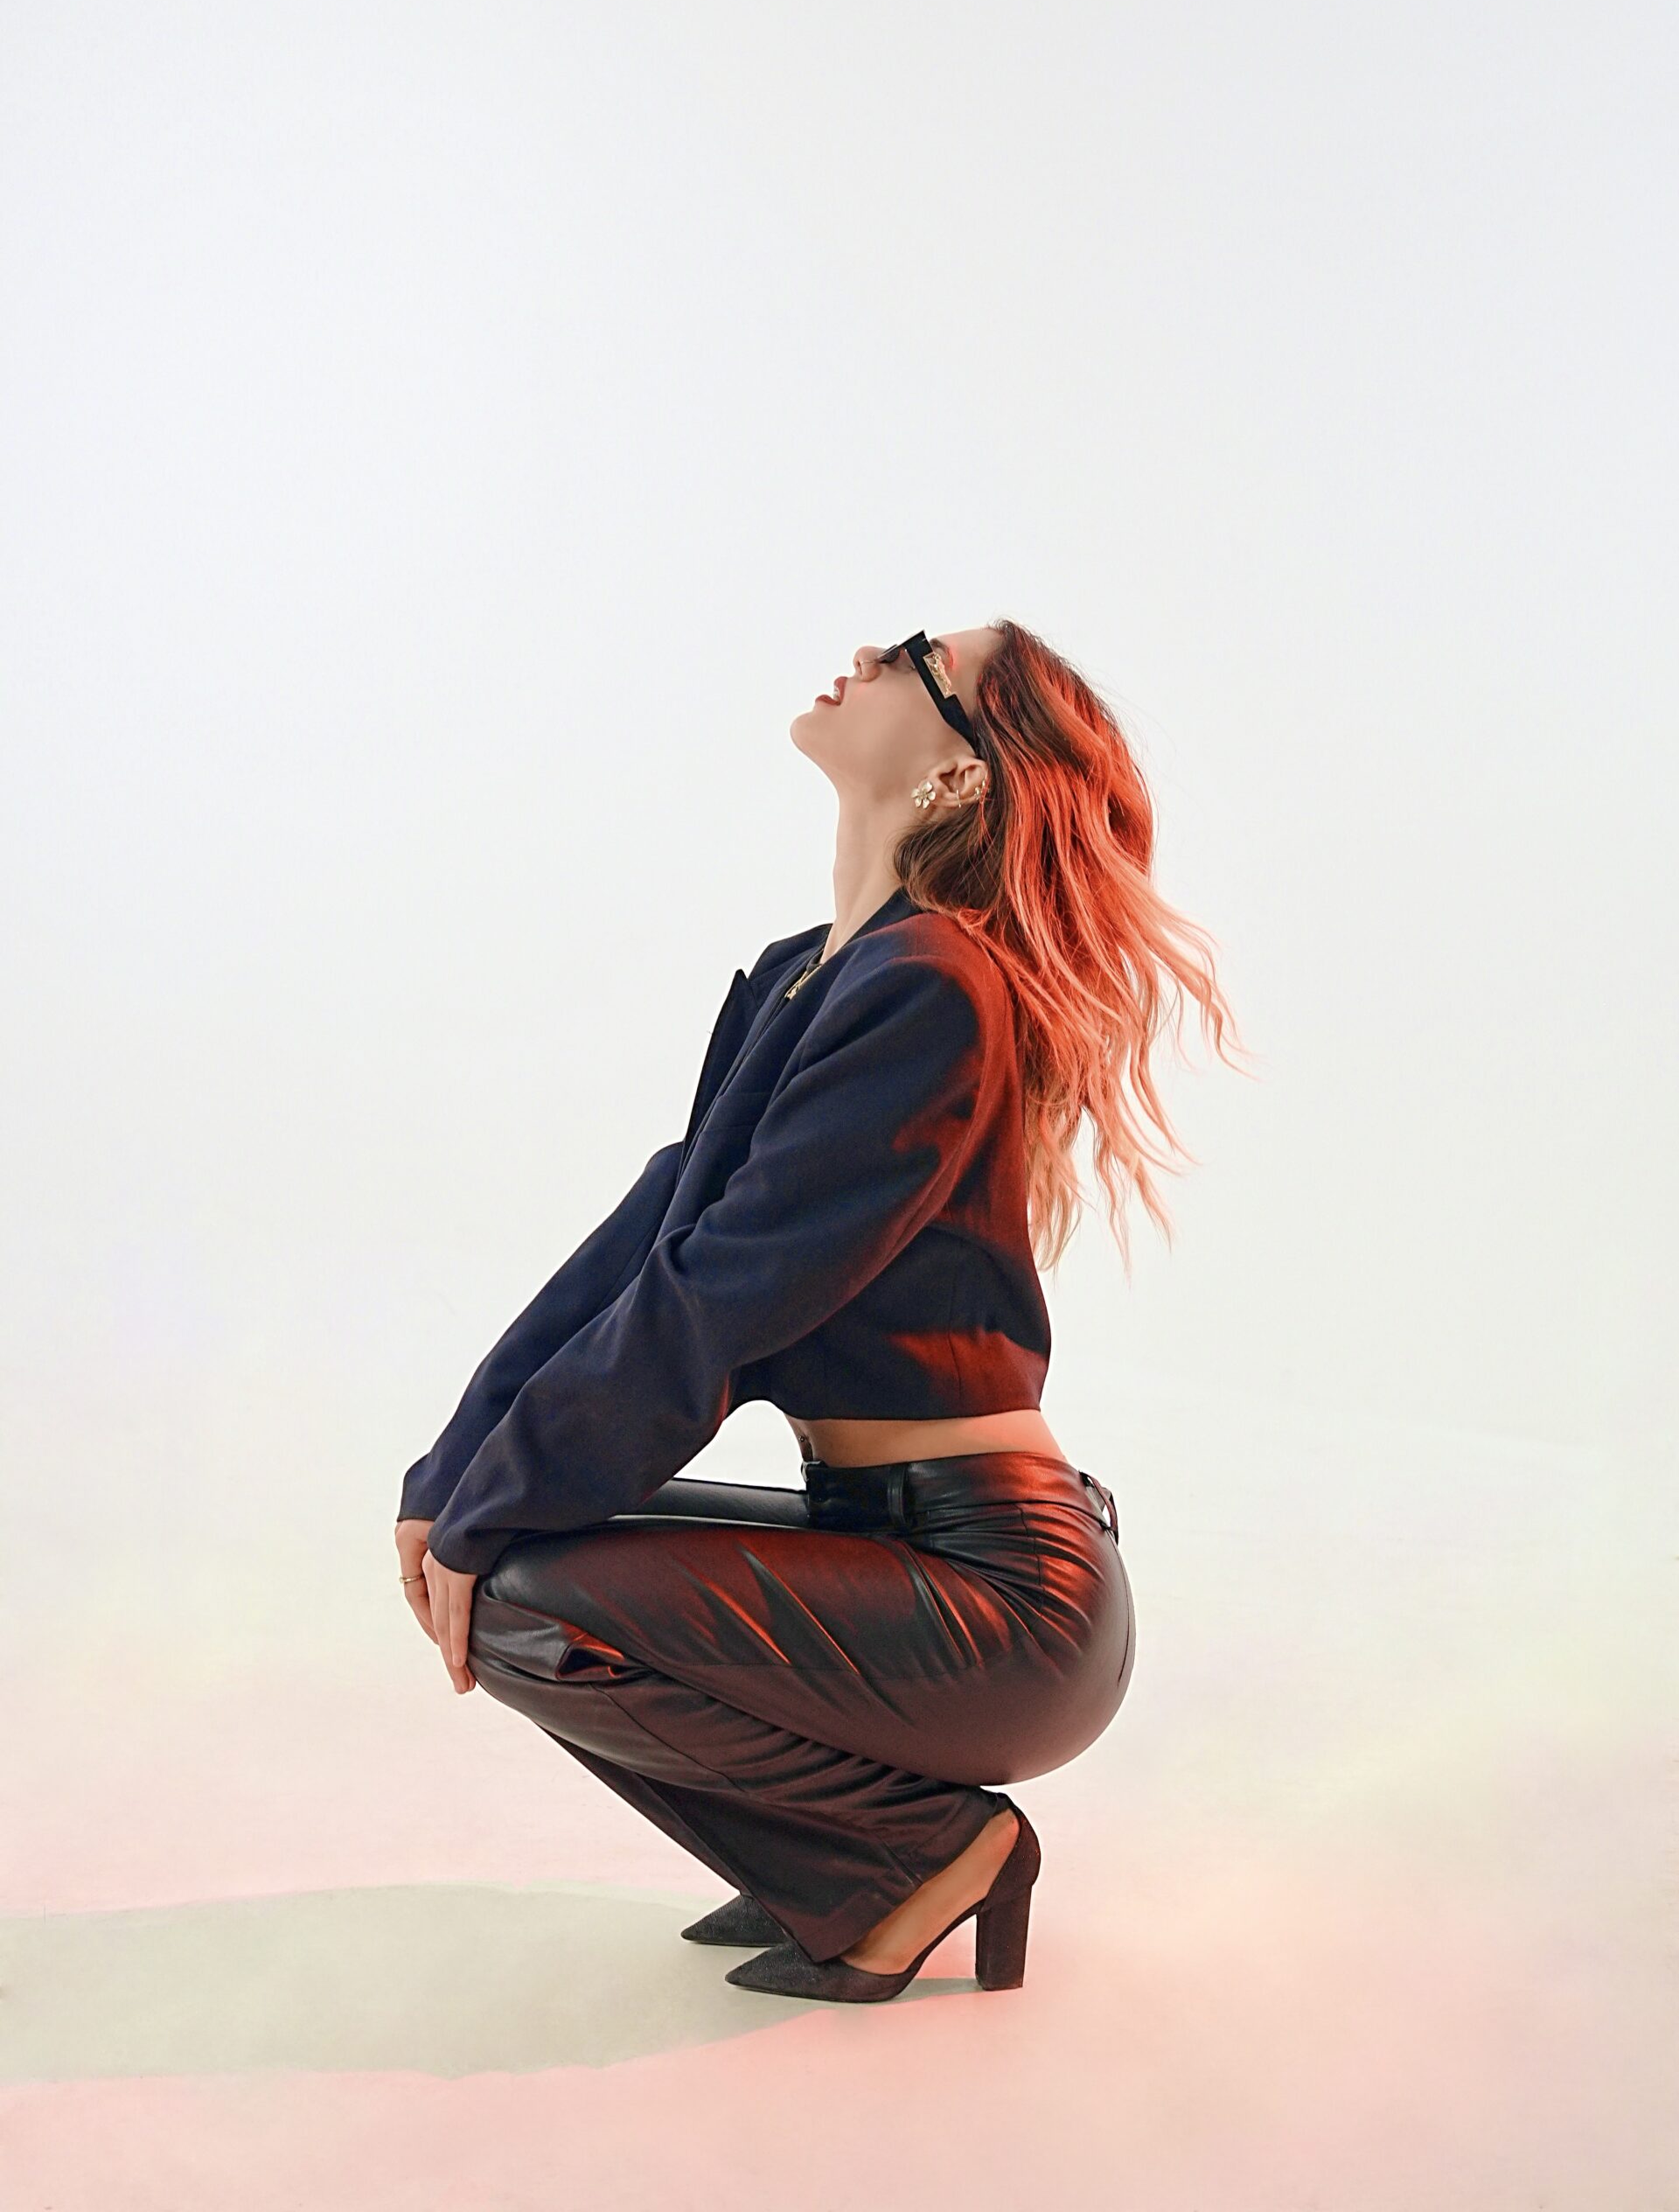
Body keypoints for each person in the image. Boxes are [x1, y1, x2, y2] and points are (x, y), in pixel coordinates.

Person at [394, 619, 1250, 2003]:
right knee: (504, 1559)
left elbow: (721, 1303)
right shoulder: (820, 970)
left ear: (961, 775)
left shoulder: (935, 988)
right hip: (895, 1555)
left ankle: (921, 1850)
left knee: (519, 1593)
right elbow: (656, 1242)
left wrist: (487, 1507)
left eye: (918, 655)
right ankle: (844, 1856)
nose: (870, 649)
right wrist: (451, 1476)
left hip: (1000, 1597)